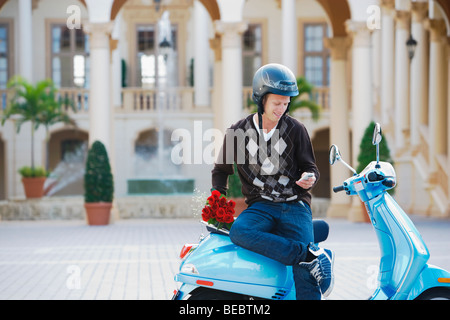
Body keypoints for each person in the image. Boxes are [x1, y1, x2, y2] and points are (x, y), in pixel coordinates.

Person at [211, 63, 334, 300]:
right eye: (277, 103)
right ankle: (309, 255)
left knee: (305, 280)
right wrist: (217, 200)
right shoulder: (238, 132)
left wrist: (310, 178)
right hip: (261, 206)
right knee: (240, 232)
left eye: (286, 103)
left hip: (295, 205)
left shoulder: (296, 129)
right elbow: (220, 171)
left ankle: (306, 262)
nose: (282, 108)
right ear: (261, 99)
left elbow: (310, 167)